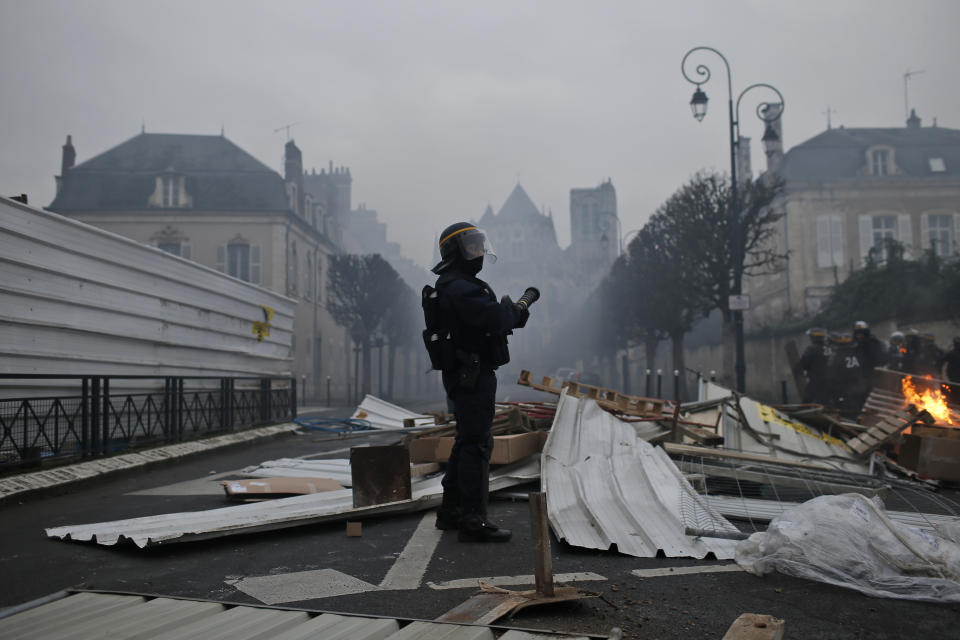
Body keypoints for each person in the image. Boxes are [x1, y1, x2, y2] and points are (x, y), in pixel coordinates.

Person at [424, 222, 537, 543]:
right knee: (477, 444)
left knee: (467, 440)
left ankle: (452, 511)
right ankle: (474, 519)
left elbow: (491, 317)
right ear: (455, 251)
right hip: (470, 373)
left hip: (467, 372)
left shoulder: (457, 284)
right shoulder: (459, 287)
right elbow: (497, 318)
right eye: (472, 247)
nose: (479, 253)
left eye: (479, 246)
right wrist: (517, 310)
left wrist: (511, 311)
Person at [797, 327, 831, 405]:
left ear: (813, 337)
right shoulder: (829, 348)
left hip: (816, 380)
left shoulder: (812, 349)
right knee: (826, 401)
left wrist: (800, 369)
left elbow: (803, 363)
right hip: (830, 381)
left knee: (806, 401)